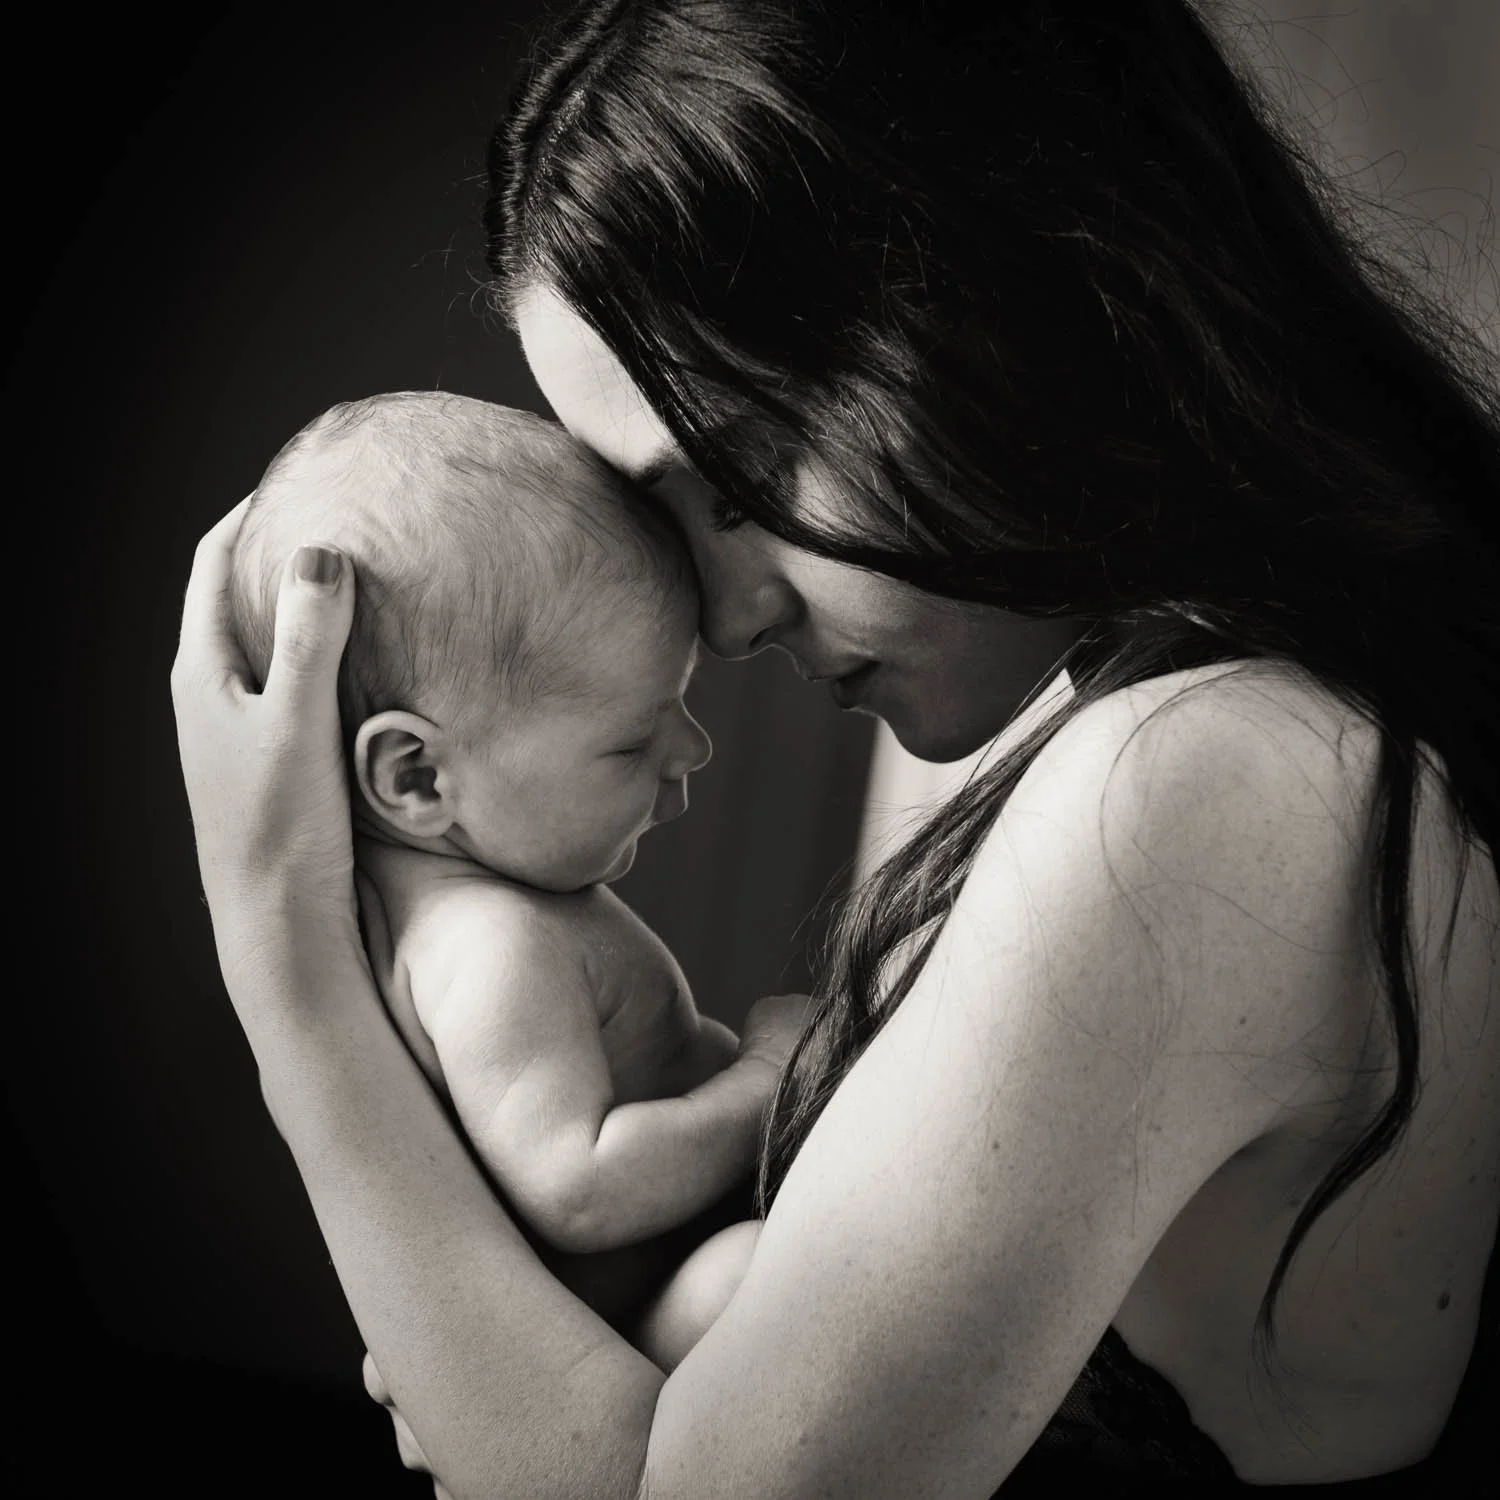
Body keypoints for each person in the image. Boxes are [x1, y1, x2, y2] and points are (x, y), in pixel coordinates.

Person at [172, 2, 1500, 1495]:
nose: (725, 624)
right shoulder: (1209, 720)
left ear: (1010, 288)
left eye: (737, 468)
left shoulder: (1200, 786)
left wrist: (286, 959)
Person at [229, 390, 789, 1363]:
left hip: (643, 1296)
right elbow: (578, 1187)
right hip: (636, 1332)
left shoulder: (456, 915)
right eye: (629, 745)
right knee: (754, 1280)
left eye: (679, 707)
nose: (691, 750)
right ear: (414, 777)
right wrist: (771, 1080)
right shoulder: (489, 947)